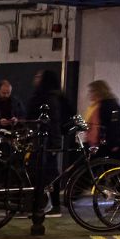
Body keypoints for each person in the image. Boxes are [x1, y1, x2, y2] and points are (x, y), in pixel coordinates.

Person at [27, 70, 73, 215]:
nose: (36, 78)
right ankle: (48, 203)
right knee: (48, 172)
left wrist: (55, 143)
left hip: (45, 141)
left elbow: (53, 122)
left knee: (43, 172)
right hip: (47, 140)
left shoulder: (48, 98)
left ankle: (45, 205)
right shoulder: (55, 96)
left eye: (39, 76)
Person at [85, 80, 120, 162]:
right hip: (106, 144)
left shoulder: (106, 105)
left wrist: (114, 144)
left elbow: (113, 126)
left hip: (108, 145)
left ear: (98, 92)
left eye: (92, 91)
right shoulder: (100, 105)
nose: (89, 94)